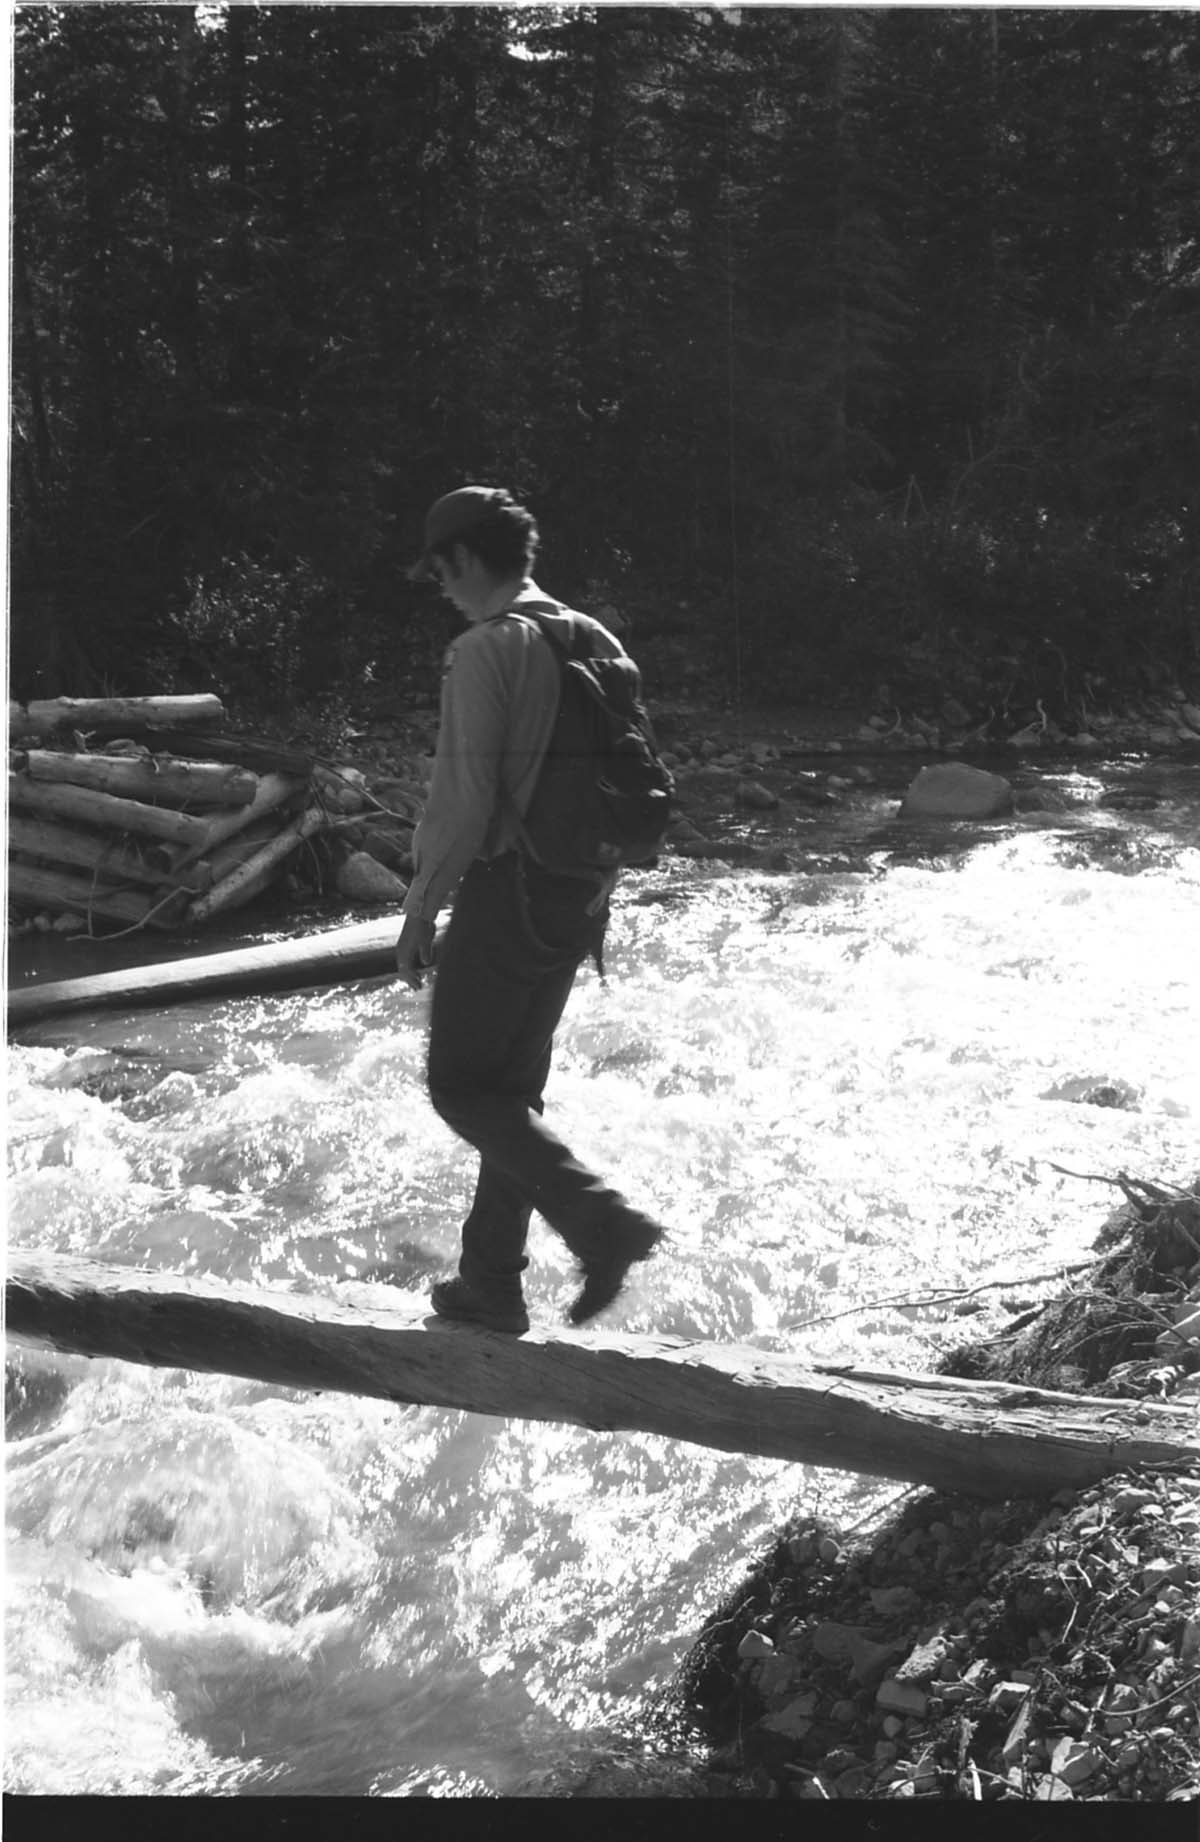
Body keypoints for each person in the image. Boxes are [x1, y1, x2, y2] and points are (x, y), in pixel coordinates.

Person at [395, 485, 667, 1335]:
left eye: (440, 570)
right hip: (577, 897)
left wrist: (419, 912)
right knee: (509, 1093)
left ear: (467, 559)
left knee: (459, 1088)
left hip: (509, 892)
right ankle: (490, 1283)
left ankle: (602, 1224)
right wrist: (594, 893)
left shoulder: (486, 649)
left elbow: (464, 801)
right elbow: (624, 787)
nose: (440, 586)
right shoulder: (595, 638)